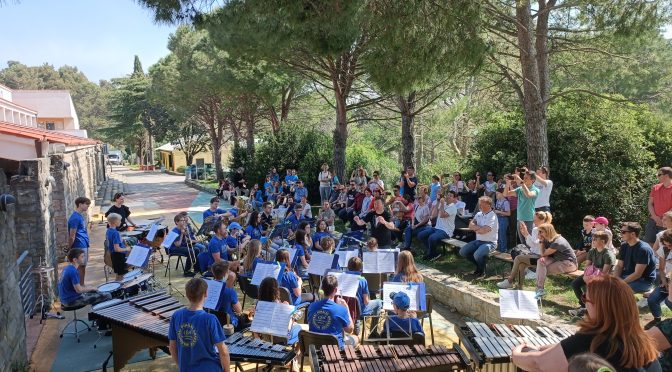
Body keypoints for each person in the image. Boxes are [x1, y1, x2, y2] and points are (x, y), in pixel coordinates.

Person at [511, 275, 661, 372]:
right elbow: (568, 348)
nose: (584, 304)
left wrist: (517, 352)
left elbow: (538, 364)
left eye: (585, 299)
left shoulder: (593, 338)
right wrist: (541, 348)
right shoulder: (641, 340)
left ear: (599, 306)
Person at [168, 278, 230, 372]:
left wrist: (181, 367)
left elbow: (172, 347)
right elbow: (223, 351)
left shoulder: (176, 315)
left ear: (187, 295)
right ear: (206, 294)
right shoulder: (210, 319)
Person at [498, 211, 553, 286]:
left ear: (542, 221)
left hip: (540, 257)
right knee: (521, 264)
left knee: (518, 258)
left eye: (535, 220)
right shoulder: (538, 229)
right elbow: (533, 245)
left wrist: (526, 233)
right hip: (537, 255)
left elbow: (536, 244)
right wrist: (525, 234)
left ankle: (510, 280)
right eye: (533, 219)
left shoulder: (543, 229)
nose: (533, 221)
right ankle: (519, 287)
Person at [569, 231, 616, 317]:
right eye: (593, 239)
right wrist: (587, 276)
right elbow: (587, 266)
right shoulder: (592, 251)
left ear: (602, 241)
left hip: (603, 278)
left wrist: (591, 279)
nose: (592, 241)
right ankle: (584, 305)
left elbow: (605, 273)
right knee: (575, 284)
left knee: (591, 287)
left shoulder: (608, 254)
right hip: (592, 274)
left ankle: (587, 309)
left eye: (595, 239)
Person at [308, 274, 358, 348]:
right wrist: (346, 308)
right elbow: (350, 330)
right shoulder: (341, 309)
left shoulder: (311, 306)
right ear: (335, 290)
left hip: (316, 346)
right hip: (335, 350)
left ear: (322, 289)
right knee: (356, 338)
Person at [254, 277, 305, 345]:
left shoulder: (258, 304)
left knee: (296, 325)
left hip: (265, 335)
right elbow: (288, 329)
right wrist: (287, 310)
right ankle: (297, 353)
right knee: (302, 329)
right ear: (276, 291)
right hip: (282, 336)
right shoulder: (281, 305)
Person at [459, 196, 499, 277]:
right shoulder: (478, 214)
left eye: (481, 204)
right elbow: (470, 225)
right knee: (462, 252)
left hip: (490, 243)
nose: (479, 206)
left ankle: (481, 269)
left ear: (488, 205)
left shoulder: (492, 216)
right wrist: (479, 229)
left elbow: (484, 230)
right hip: (478, 241)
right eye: (479, 204)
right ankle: (480, 266)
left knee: (477, 255)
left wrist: (476, 228)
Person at [613, 222, 657, 293]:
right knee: (606, 286)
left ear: (633, 234)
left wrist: (621, 283)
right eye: (621, 231)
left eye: (623, 232)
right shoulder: (624, 246)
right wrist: (615, 279)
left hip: (643, 281)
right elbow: (619, 265)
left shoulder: (643, 249)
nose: (620, 234)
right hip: (627, 277)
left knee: (618, 291)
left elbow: (637, 274)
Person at [417, 191, 458, 261]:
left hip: (446, 231)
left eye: (450, 196)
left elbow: (442, 215)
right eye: (447, 195)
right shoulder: (443, 204)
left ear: (454, 199)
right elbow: (434, 215)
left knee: (431, 238)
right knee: (421, 235)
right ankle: (433, 253)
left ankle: (431, 255)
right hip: (437, 228)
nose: (448, 196)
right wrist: (438, 201)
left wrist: (442, 204)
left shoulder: (453, 207)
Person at [645, 228, 672, 330]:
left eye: (670, 245)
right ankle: (657, 319)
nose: (668, 248)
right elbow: (661, 268)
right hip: (667, 279)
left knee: (669, 302)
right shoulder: (664, 249)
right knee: (652, 299)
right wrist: (664, 281)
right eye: (666, 245)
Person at [211, 261, 249, 332]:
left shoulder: (207, 286)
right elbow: (239, 310)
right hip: (228, 323)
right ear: (226, 274)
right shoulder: (229, 291)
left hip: (211, 320)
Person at [504, 170, 539, 244]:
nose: (524, 179)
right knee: (523, 243)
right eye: (524, 177)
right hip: (520, 219)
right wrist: (507, 183)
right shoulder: (520, 189)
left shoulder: (536, 190)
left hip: (529, 219)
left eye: (526, 178)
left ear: (533, 180)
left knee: (530, 243)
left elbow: (529, 195)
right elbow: (506, 194)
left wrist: (521, 183)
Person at [645, 166, 672, 244]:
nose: (657, 176)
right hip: (653, 221)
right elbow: (650, 203)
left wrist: (663, 219)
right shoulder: (655, 187)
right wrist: (655, 217)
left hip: (668, 222)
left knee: (664, 245)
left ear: (666, 176)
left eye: (659, 174)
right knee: (649, 243)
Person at [68, 197, 91, 285]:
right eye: (86, 204)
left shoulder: (79, 216)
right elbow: (72, 235)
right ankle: (80, 286)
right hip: (79, 245)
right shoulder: (75, 218)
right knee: (80, 267)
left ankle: (82, 285)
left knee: (83, 266)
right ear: (80, 204)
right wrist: (70, 248)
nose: (88, 206)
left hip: (83, 244)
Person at [106, 213, 130, 280]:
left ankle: (118, 288)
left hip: (114, 256)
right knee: (122, 275)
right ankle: (120, 289)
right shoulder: (115, 233)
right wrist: (126, 249)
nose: (120, 222)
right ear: (115, 222)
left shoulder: (108, 230)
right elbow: (117, 249)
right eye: (119, 220)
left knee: (119, 274)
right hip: (118, 256)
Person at [494, 187, 511, 252]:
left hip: (503, 220)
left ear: (501, 194)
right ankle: (499, 248)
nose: (496, 195)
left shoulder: (505, 202)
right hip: (498, 219)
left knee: (502, 235)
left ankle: (503, 250)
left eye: (497, 194)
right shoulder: (498, 201)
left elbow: (509, 213)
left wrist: (499, 212)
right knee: (498, 234)